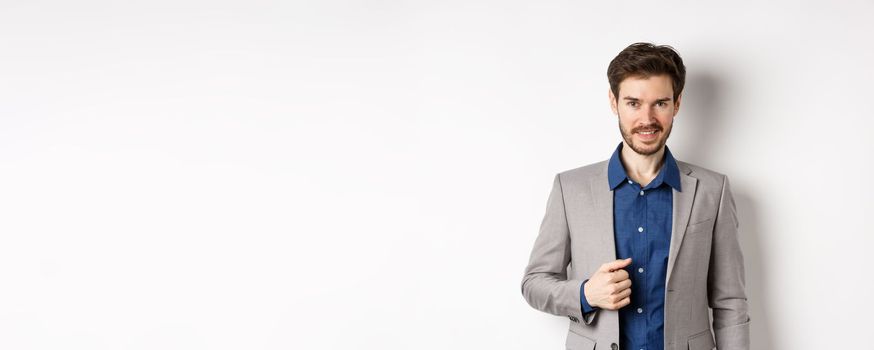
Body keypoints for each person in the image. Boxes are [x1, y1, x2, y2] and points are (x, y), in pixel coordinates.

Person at [520, 43, 750, 350]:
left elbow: (730, 301)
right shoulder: (570, 188)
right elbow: (534, 282)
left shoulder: (713, 190)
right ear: (614, 103)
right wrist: (586, 294)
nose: (647, 119)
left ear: (677, 104)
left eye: (660, 103)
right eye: (633, 103)